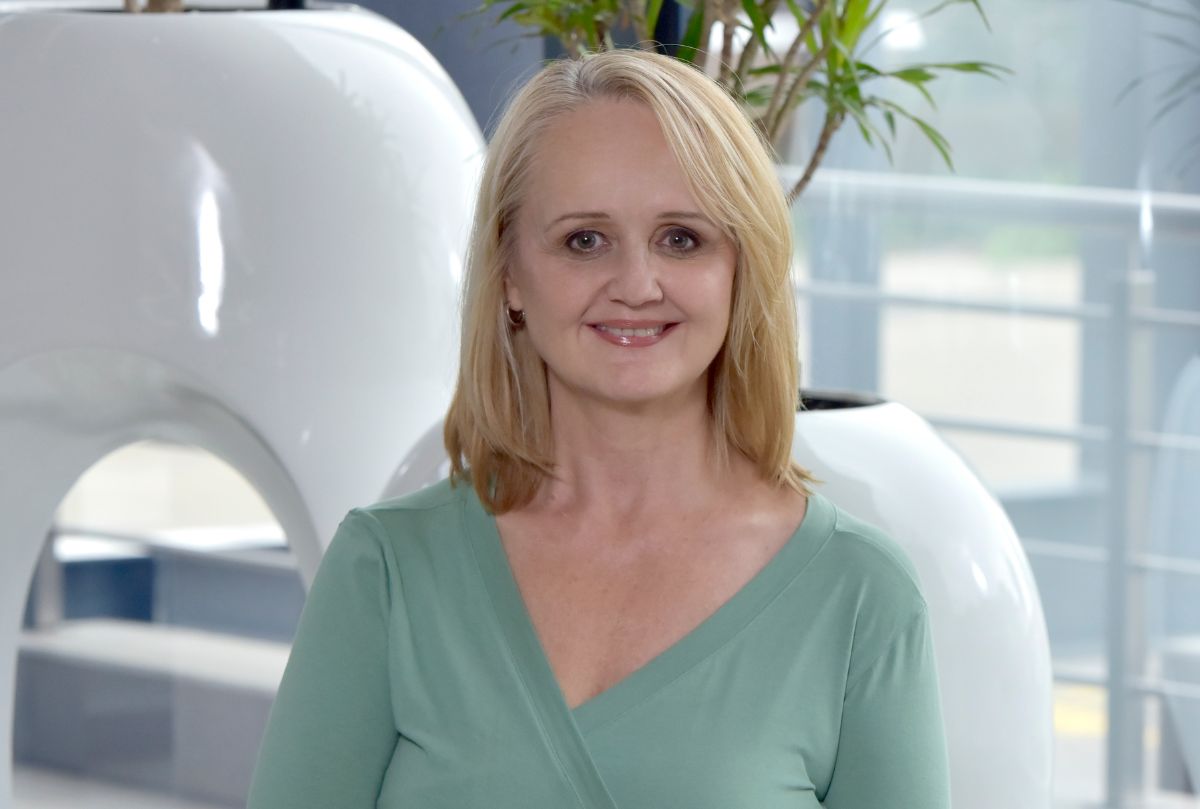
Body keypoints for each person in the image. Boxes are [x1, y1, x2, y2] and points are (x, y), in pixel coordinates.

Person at [247, 49, 949, 809]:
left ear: (740, 270)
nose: (637, 286)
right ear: (510, 275)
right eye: (585, 239)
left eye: (681, 238)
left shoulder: (859, 595)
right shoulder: (385, 571)